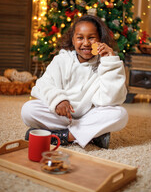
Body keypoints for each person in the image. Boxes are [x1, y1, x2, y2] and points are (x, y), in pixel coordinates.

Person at [21, 14, 128, 149]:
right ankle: (93, 135)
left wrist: (110, 62)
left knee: (120, 114)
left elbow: (112, 99)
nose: (86, 43)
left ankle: (65, 136)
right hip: (63, 115)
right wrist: (58, 99)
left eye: (91, 37)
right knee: (28, 110)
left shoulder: (107, 62)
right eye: (80, 38)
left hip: (89, 115)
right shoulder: (62, 60)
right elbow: (43, 84)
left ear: (100, 39)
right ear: (72, 40)